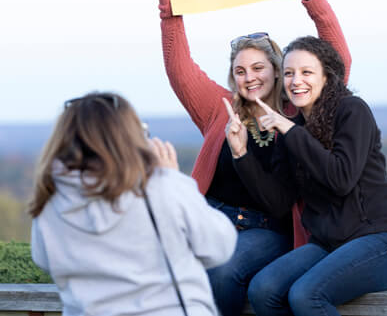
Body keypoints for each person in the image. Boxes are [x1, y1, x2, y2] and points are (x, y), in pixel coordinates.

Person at [154, 0, 352, 316]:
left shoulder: (300, 111)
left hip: (267, 229)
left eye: (258, 68)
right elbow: (179, 69)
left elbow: (336, 64)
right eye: (240, 71)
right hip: (211, 217)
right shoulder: (220, 109)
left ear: (277, 70)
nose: (249, 78)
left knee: (223, 270)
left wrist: (314, 0)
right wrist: (168, 5)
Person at [29, 91, 237, 316]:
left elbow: (43, 260)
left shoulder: (50, 202)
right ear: (128, 137)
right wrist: (174, 179)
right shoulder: (160, 187)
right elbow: (220, 246)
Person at [247, 37, 387, 316]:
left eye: (306, 72)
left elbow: (341, 178)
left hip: (382, 242)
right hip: (328, 245)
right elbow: (277, 202)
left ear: (327, 77)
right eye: (289, 73)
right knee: (263, 290)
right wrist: (242, 155)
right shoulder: (294, 129)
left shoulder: (352, 110)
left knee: (306, 295)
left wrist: (290, 132)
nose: (296, 80)